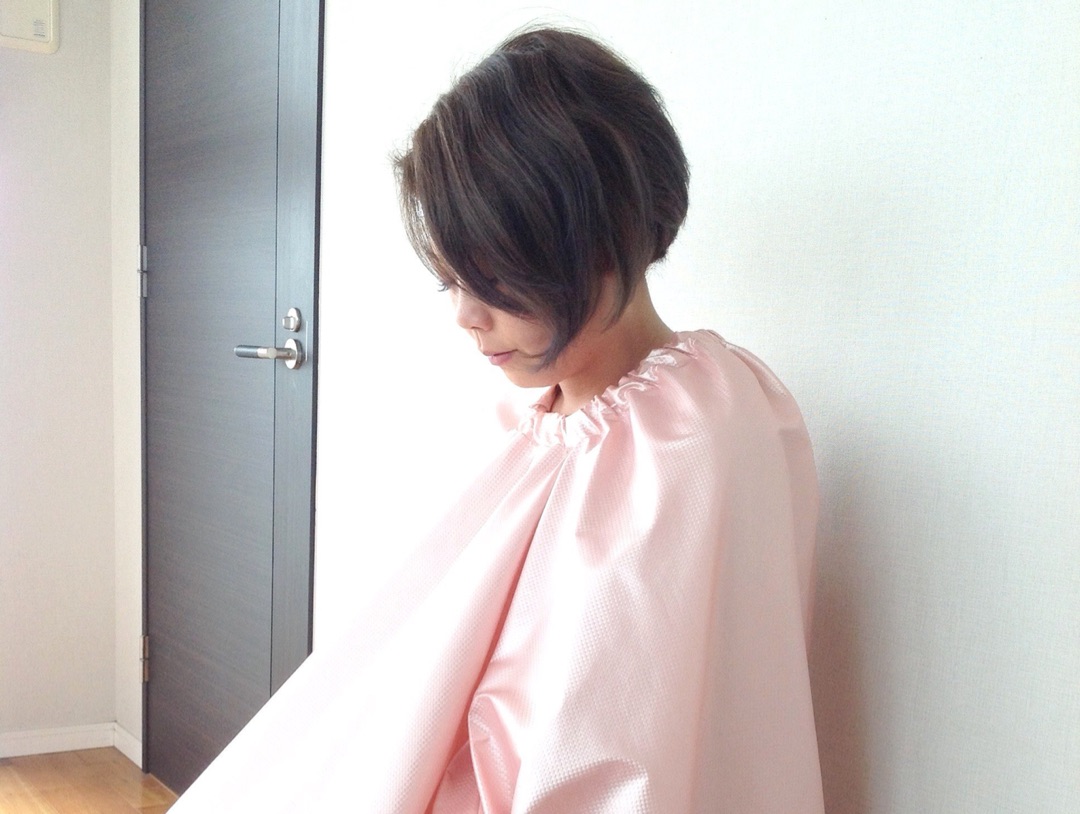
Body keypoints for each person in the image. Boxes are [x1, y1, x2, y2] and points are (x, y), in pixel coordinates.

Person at [171, 26, 824, 813]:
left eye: (490, 277)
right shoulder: (545, 419)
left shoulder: (684, 440)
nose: (464, 317)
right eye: (449, 280)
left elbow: (608, 750)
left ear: (602, 239)